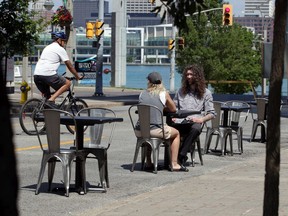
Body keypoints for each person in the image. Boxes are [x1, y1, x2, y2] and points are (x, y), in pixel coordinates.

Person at [136, 72, 188, 172]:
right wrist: (162, 108)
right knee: (176, 133)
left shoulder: (142, 94)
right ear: (161, 82)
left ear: (148, 81)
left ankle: (148, 162)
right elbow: (173, 109)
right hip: (155, 130)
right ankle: (174, 163)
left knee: (148, 136)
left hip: (140, 130)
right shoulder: (163, 94)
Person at [173, 64, 216, 165]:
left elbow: (212, 113)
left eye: (191, 74)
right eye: (187, 74)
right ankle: (170, 158)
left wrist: (201, 120)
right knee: (168, 128)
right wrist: (174, 116)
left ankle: (181, 155)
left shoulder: (206, 93)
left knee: (196, 128)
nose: (188, 77)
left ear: (197, 76)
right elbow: (174, 108)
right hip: (180, 121)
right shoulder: (180, 91)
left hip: (195, 122)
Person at [34, 32, 82, 107]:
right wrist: (77, 76)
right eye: (64, 41)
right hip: (48, 74)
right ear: (59, 40)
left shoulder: (47, 47)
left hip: (37, 75)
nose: (64, 43)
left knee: (47, 100)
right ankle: (52, 99)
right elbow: (70, 66)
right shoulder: (60, 49)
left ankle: (45, 113)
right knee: (68, 83)